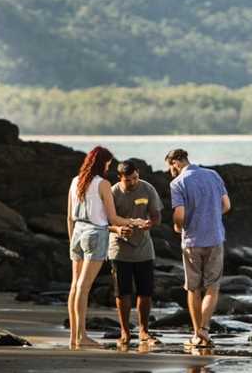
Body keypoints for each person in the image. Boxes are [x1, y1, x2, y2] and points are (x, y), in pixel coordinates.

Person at [66, 146, 145, 350]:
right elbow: (112, 218)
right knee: (84, 288)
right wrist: (133, 221)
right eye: (108, 163)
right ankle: (82, 337)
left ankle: (74, 337)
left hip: (77, 233)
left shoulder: (76, 181)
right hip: (94, 234)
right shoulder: (103, 184)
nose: (109, 167)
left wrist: (71, 241)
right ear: (102, 163)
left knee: (75, 287)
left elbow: (69, 217)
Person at [166, 148, 231, 348]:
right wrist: (210, 215)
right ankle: (204, 331)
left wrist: (178, 227)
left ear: (175, 162)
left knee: (193, 288)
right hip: (215, 238)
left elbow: (179, 215)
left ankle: (196, 334)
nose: (171, 171)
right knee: (212, 286)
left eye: (170, 167)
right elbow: (227, 205)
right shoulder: (213, 175)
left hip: (192, 242)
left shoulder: (177, 183)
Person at [108, 159, 163, 346]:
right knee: (122, 293)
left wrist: (150, 223)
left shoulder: (147, 189)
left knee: (145, 292)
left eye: (135, 178)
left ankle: (143, 331)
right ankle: (125, 332)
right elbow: (103, 222)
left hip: (144, 249)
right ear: (120, 178)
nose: (133, 183)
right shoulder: (112, 192)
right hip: (119, 249)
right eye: (128, 180)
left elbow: (156, 215)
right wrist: (118, 229)